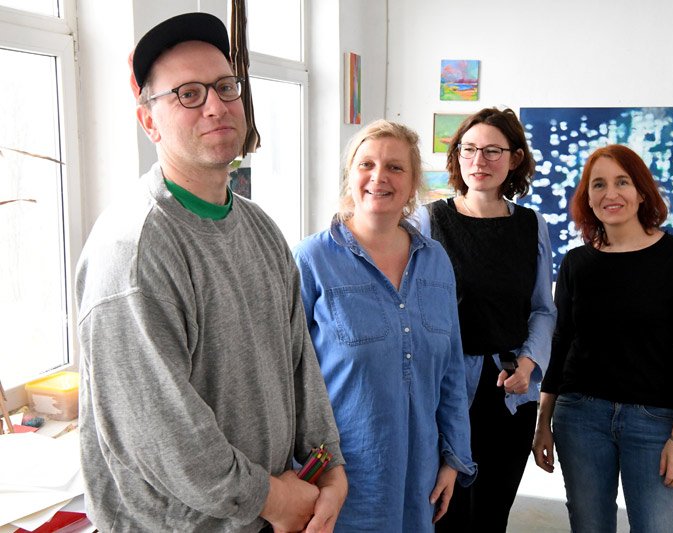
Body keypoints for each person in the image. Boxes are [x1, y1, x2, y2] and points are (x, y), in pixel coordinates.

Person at [75, 12, 346, 532]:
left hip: (260, 516)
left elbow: (298, 361)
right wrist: (271, 498)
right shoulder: (134, 249)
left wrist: (328, 461)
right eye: (188, 94)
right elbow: (164, 433)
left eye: (226, 87)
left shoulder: (260, 228)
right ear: (148, 120)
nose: (217, 106)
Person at [292, 119, 477, 532]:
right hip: (339, 479)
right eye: (367, 164)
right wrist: (294, 474)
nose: (379, 177)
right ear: (349, 176)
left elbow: (450, 370)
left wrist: (453, 457)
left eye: (395, 167)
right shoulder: (310, 261)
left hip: (419, 476)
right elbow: (285, 376)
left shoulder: (436, 261)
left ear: (413, 185)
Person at [532, 144, 673, 532]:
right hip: (579, 416)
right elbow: (561, 342)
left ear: (642, 191)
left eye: (622, 182)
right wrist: (543, 420)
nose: (610, 194)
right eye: (598, 184)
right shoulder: (577, 263)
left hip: (655, 421)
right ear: (588, 198)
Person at [416, 107, 557, 532]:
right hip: (445, 388)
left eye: (493, 151)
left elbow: (542, 309)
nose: (479, 161)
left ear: (514, 159)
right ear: (457, 156)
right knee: (444, 512)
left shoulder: (532, 225)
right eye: (469, 149)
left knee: (492, 515)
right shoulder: (427, 220)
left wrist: (530, 363)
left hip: (509, 391)